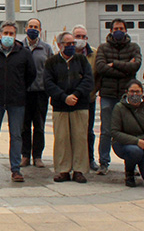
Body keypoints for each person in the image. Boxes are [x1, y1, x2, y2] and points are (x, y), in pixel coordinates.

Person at [0, 20, 37, 182]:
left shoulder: (24, 53)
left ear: (15, 36)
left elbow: (31, 75)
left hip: (16, 101)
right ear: (0, 34)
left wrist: (19, 89)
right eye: (6, 33)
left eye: (11, 34)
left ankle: (16, 170)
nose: (8, 36)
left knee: (16, 135)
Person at [44, 32, 93, 183]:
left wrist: (76, 95)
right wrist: (64, 97)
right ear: (59, 45)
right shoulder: (51, 62)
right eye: (68, 44)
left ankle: (79, 170)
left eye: (73, 43)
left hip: (80, 104)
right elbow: (48, 83)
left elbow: (88, 80)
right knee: (62, 139)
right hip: (60, 106)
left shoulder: (81, 60)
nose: (72, 46)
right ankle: (63, 170)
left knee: (80, 137)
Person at [95, 18, 142, 175]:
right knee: (106, 131)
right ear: (110, 31)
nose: (118, 31)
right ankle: (103, 163)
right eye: (115, 28)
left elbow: (135, 66)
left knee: (130, 131)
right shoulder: (103, 48)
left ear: (126, 30)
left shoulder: (134, 47)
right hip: (108, 95)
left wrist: (114, 64)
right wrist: (125, 67)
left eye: (121, 28)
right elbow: (101, 68)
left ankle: (131, 164)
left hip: (126, 96)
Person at [111, 80, 144, 187]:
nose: (134, 94)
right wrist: (136, 141)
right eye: (131, 91)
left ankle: (142, 162)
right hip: (124, 144)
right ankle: (129, 172)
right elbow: (114, 132)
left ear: (142, 93)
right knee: (134, 150)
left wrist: (142, 140)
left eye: (137, 92)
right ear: (126, 92)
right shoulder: (119, 108)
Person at [21, 18, 53, 168]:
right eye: (31, 26)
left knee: (39, 126)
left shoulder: (46, 48)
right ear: (26, 28)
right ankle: (25, 155)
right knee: (24, 126)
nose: (33, 29)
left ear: (40, 29)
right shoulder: (19, 47)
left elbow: (52, 71)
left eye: (36, 27)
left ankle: (38, 156)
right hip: (24, 93)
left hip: (41, 93)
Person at [71, 25, 99, 171]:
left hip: (89, 99)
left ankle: (90, 159)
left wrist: (94, 91)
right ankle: (72, 159)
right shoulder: (66, 53)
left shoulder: (94, 53)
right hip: (70, 99)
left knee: (88, 130)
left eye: (83, 37)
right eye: (77, 36)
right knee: (70, 131)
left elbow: (98, 75)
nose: (80, 40)